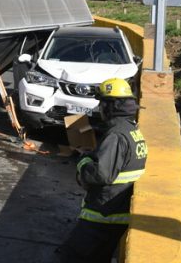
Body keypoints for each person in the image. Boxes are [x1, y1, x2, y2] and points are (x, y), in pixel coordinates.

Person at [58, 78, 148, 263]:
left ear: (110, 106)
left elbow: (100, 174)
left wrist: (83, 162)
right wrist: (96, 154)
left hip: (103, 216)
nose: (100, 109)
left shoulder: (115, 135)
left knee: (70, 257)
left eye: (102, 104)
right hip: (117, 213)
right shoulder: (132, 130)